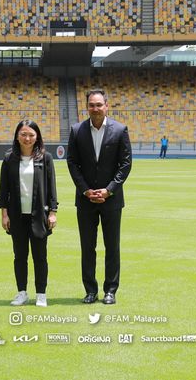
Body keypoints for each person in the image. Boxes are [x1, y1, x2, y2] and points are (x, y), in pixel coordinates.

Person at [67, 89, 132, 305]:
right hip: (85, 200)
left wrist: (109, 189)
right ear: (87, 107)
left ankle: (110, 290)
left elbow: (125, 164)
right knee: (88, 247)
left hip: (111, 200)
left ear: (106, 105)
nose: (95, 108)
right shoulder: (76, 131)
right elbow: (72, 163)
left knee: (112, 246)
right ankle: (90, 291)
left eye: (99, 104)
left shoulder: (120, 130)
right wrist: (85, 190)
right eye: (91, 105)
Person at [0, 120, 57, 307]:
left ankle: (41, 294)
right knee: (20, 256)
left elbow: (52, 188)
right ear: (17, 136)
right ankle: (22, 292)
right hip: (16, 215)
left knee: (40, 256)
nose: (27, 138)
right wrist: (4, 214)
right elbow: (3, 189)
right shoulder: (9, 158)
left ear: (37, 136)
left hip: (39, 215)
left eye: (31, 134)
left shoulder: (45, 158)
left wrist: (53, 212)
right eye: (23, 134)